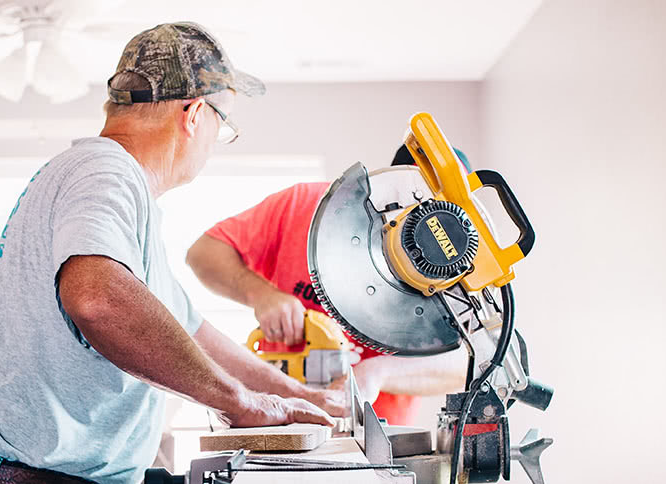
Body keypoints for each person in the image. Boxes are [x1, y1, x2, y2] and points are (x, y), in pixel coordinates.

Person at [0, 22, 343, 484]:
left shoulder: (109, 186)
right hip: (30, 474)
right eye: (224, 125)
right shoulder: (106, 170)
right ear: (194, 114)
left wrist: (294, 395)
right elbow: (97, 300)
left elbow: (191, 332)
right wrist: (237, 402)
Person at [186, 145, 473, 426]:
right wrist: (260, 294)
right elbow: (203, 253)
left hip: (376, 436)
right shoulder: (305, 205)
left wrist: (378, 372)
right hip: (277, 419)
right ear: (389, 181)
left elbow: (468, 364)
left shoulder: (455, 269)